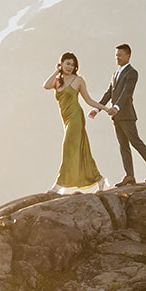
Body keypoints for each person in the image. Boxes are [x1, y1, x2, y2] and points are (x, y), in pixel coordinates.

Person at [90, 42, 146, 185]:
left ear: (128, 56)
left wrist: (116, 107)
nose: (117, 58)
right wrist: (97, 109)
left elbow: (127, 93)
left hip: (126, 115)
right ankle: (129, 175)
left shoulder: (132, 73)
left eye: (120, 55)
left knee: (135, 142)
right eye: (116, 55)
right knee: (123, 145)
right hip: (116, 117)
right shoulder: (115, 73)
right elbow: (108, 93)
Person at [43, 52, 111, 193]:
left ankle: (60, 184)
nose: (70, 67)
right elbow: (46, 85)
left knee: (68, 147)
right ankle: (100, 179)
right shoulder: (58, 80)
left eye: (72, 65)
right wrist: (57, 70)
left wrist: (104, 108)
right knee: (82, 151)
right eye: (67, 64)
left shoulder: (78, 80)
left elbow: (89, 100)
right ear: (61, 64)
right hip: (66, 119)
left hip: (76, 118)